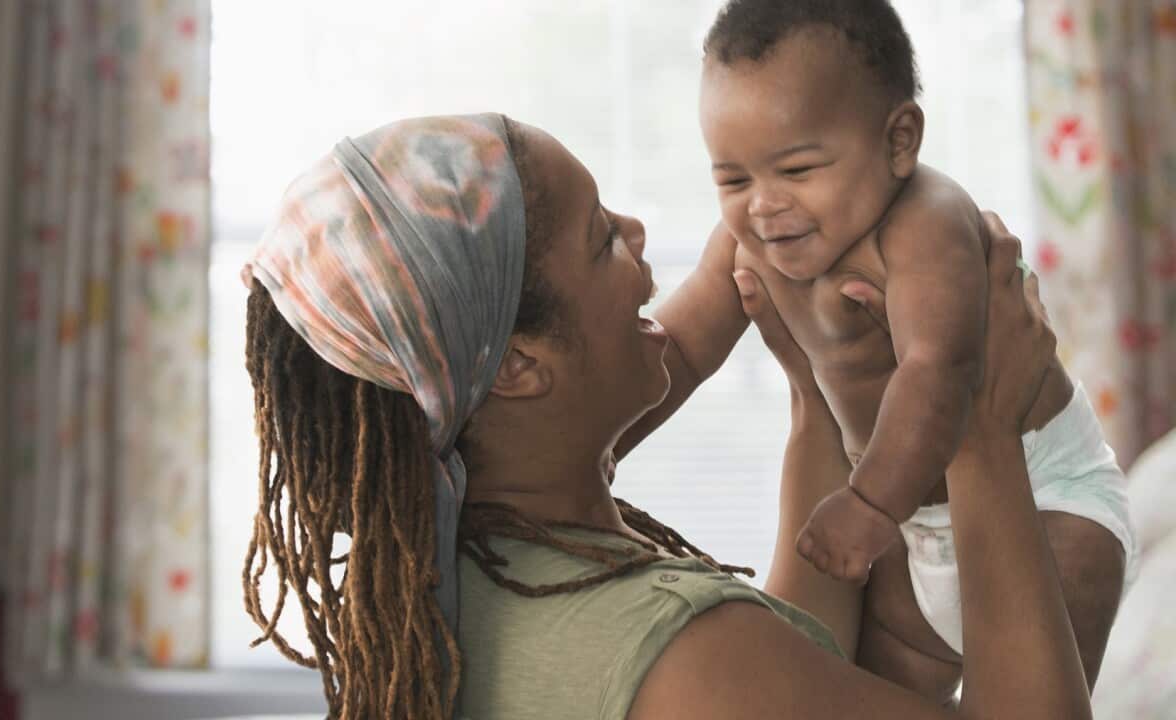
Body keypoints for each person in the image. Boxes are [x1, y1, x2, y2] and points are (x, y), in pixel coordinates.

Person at [239, 113, 1091, 719]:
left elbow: (803, 663)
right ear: (521, 369)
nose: (639, 230)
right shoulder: (689, 659)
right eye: (602, 238)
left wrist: (820, 398)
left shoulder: (463, 567)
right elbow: (741, 673)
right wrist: (975, 423)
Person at [684, 0, 1135, 700]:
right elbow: (681, 346)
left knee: (1034, 689)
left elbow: (939, 369)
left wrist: (866, 503)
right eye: (733, 179)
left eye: (797, 170)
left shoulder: (927, 223)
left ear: (899, 141)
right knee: (877, 690)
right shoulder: (753, 239)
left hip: (1046, 500)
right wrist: (603, 434)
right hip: (913, 522)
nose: (764, 205)